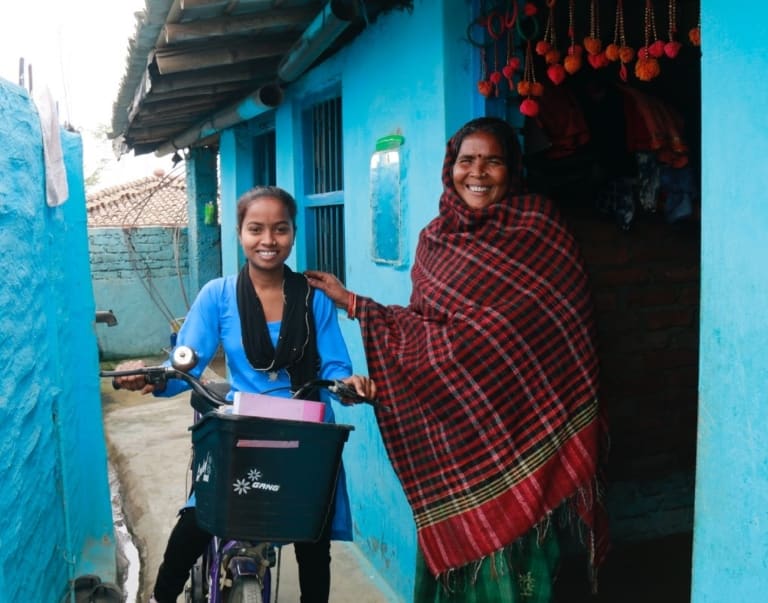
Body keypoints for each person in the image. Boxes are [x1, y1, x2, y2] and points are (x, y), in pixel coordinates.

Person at [305, 117, 609, 602]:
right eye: (468, 160)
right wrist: (355, 303)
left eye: (493, 161)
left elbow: (559, 330)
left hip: (535, 429)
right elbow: (430, 335)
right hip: (463, 438)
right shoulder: (434, 241)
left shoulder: (541, 229)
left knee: (534, 576)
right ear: (451, 168)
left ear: (511, 170)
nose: (479, 172)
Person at [114, 185, 376, 603]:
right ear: (240, 232)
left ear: (293, 232)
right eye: (256, 229)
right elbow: (186, 365)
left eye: (280, 229)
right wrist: (152, 377)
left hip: (303, 434)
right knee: (197, 521)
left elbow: (334, 367)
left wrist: (349, 387)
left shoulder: (314, 298)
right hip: (243, 432)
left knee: (313, 542)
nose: (268, 241)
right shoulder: (218, 296)